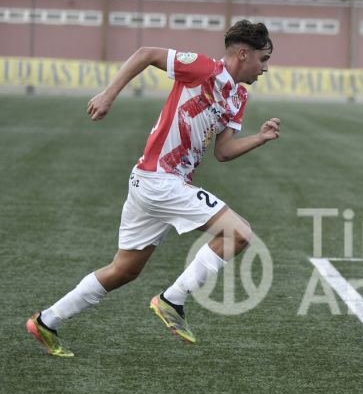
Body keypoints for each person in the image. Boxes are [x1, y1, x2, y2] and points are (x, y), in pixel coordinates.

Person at [26, 20, 280, 357]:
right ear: (243, 54)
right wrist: (108, 94)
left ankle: (46, 321)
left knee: (124, 270)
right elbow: (146, 54)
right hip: (159, 180)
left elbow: (223, 152)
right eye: (263, 59)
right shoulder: (202, 68)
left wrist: (260, 138)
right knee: (239, 232)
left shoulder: (239, 97)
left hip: (153, 184)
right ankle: (172, 299)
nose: (265, 68)